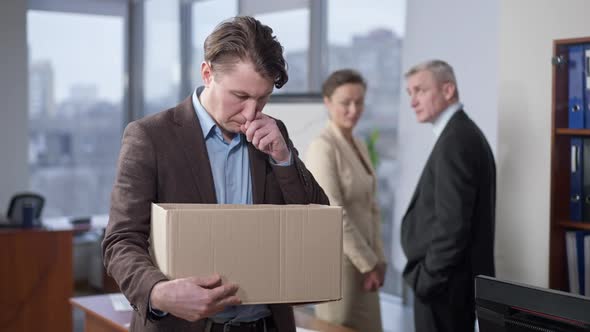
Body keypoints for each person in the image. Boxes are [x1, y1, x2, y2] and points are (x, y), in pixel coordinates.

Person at [102, 16, 329, 332]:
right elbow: (120, 240)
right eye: (240, 96)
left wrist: (283, 158)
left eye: (262, 98)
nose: (251, 113)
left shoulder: (274, 134)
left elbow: (316, 221)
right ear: (207, 73)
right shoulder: (149, 137)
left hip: (265, 325)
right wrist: (157, 292)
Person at [401, 60, 496, 332]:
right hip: (450, 287)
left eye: (420, 90)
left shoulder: (456, 140)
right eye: (410, 93)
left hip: (445, 289)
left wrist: (428, 280)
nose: (412, 101)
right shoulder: (461, 133)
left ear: (448, 90)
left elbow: (452, 226)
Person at [305, 69, 386, 332]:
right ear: (328, 103)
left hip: (367, 264)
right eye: (345, 103)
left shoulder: (359, 144)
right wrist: (369, 263)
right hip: (340, 268)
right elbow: (334, 214)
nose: (354, 109)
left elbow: (371, 205)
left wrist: (378, 258)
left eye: (359, 102)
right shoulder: (323, 148)